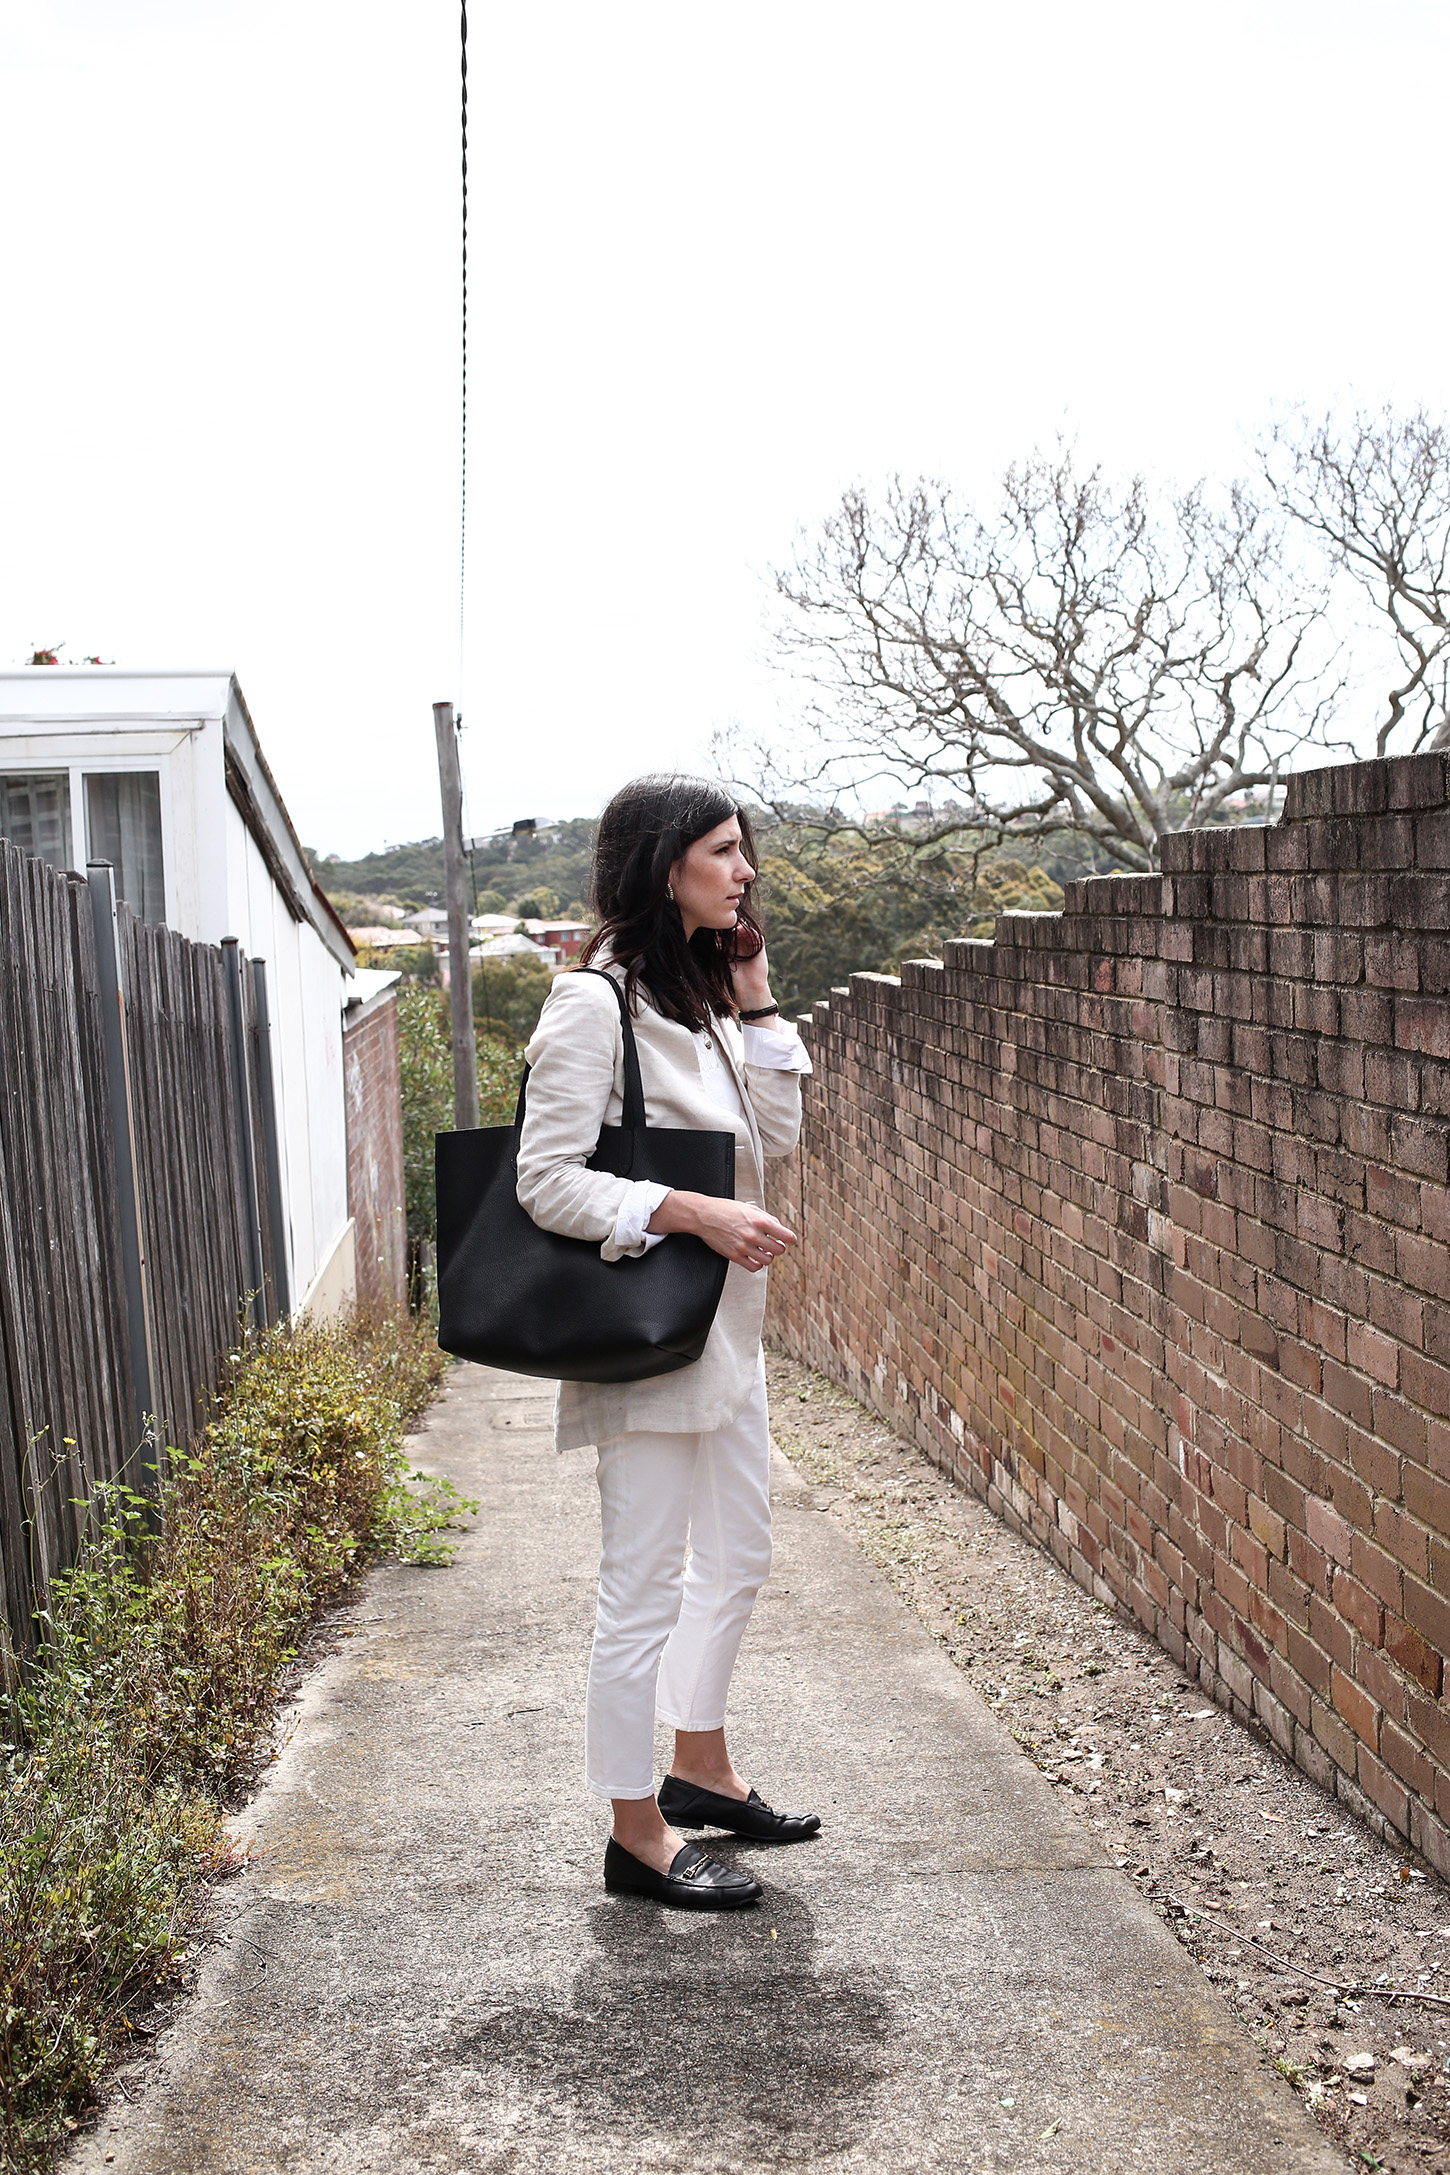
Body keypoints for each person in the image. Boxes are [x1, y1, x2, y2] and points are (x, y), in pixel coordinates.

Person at [516, 774, 818, 1910]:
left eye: (743, 853)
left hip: (726, 1336)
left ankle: (699, 1767)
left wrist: (756, 993)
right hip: (643, 1334)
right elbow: (544, 1181)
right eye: (725, 853)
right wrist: (688, 1212)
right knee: (639, 1589)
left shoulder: (698, 999)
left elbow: (773, 1142)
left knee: (738, 1559)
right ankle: (634, 1833)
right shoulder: (595, 1003)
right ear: (664, 863)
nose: (744, 873)